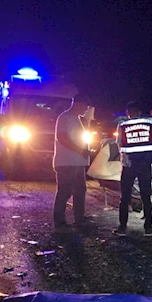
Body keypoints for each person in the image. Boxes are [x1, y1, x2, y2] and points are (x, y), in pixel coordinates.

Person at [113, 101, 152, 237]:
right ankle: (148, 228)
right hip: (145, 164)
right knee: (146, 196)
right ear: (139, 112)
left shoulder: (123, 125)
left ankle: (122, 227)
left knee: (125, 196)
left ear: (128, 113)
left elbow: (119, 143)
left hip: (129, 164)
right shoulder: (150, 124)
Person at [53, 93, 92, 228]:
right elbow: (62, 138)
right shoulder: (65, 117)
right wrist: (81, 151)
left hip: (77, 162)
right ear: (78, 104)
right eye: (85, 107)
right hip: (67, 162)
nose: (86, 110)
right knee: (65, 191)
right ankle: (60, 222)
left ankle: (79, 218)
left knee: (80, 190)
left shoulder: (77, 119)